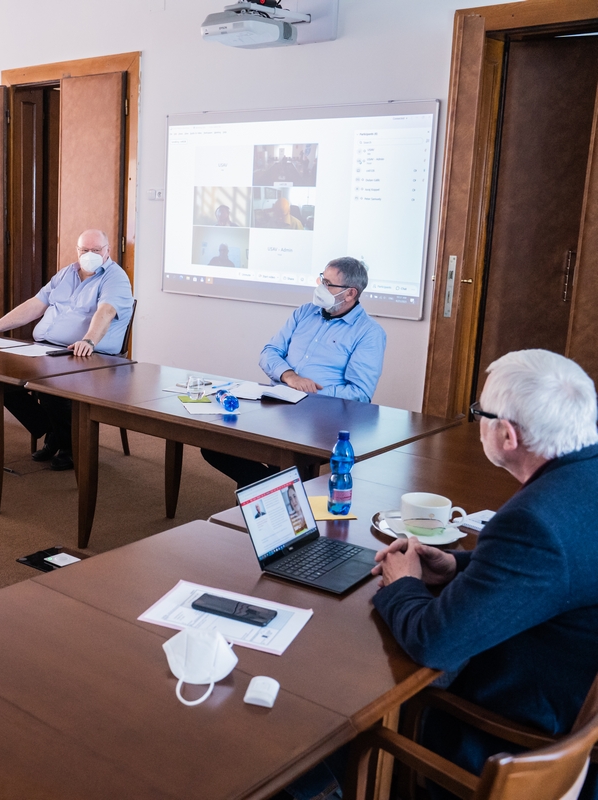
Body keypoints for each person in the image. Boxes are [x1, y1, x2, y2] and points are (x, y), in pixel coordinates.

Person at [372, 349, 598, 800]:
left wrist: (404, 583)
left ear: (507, 435)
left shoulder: (534, 522)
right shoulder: (581, 482)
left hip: (513, 736)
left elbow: (434, 643)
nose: (476, 420)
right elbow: (555, 573)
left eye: (480, 413)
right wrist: (457, 565)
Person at [201, 257, 386, 488]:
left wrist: (311, 393)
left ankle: (270, 494)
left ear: (350, 293)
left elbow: (360, 393)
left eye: (328, 284)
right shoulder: (305, 312)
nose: (320, 287)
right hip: (276, 404)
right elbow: (269, 352)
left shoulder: (369, 333)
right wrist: (290, 377)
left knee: (280, 457)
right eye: (322, 279)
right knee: (214, 442)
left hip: (320, 419)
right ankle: (277, 490)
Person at [0, 229, 134, 471]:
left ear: (107, 251)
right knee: (2, 378)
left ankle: (68, 445)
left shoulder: (115, 278)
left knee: (50, 385)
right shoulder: (67, 273)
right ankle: (53, 431)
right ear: (77, 251)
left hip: (89, 354)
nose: (90, 254)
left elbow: (106, 311)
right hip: (47, 349)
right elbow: (36, 304)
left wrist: (89, 341)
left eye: (96, 250)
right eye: (85, 250)